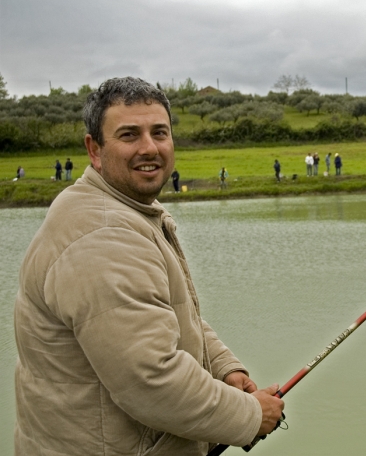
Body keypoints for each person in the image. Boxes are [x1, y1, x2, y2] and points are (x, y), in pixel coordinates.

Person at [14, 77, 284, 455]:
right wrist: (250, 416)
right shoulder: (103, 235)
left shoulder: (120, 210)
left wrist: (224, 368)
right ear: (95, 149)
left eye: (160, 132)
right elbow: (151, 379)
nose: (149, 148)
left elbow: (165, 311)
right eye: (129, 135)